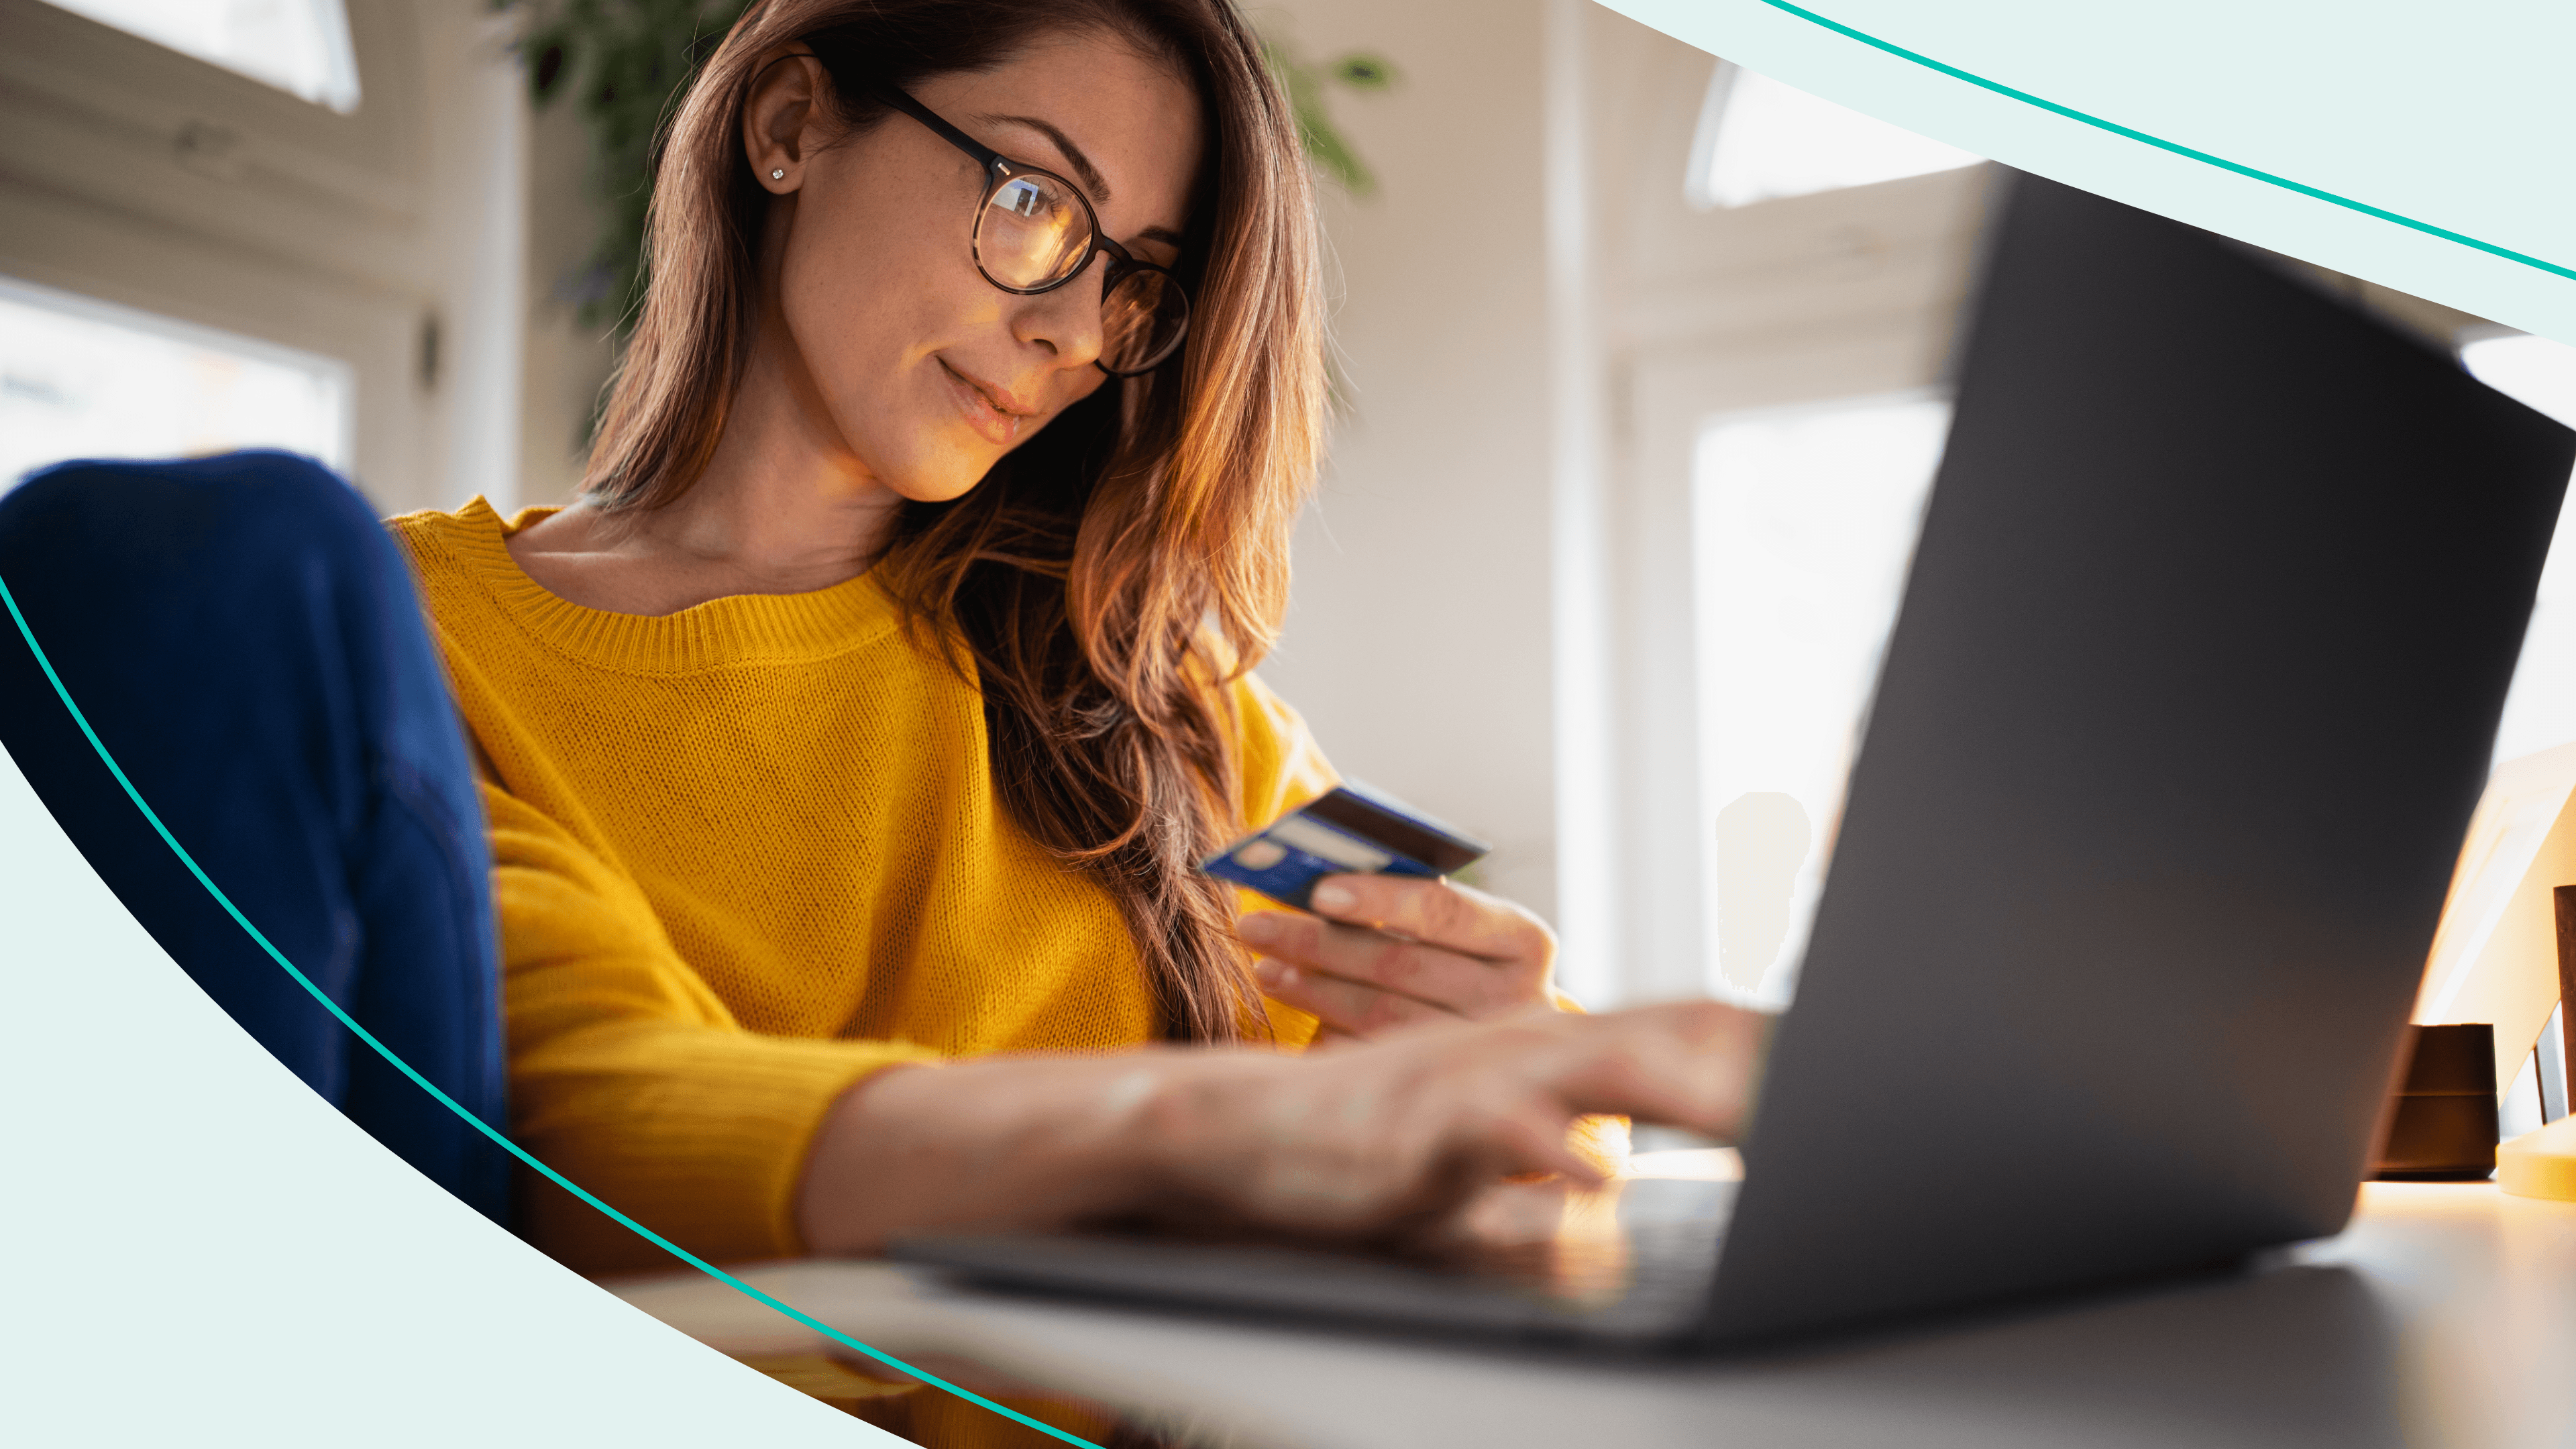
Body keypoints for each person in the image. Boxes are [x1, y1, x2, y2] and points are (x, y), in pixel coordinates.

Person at [0, 0, 1770, 1307]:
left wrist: (1528, 1075)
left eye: (1136, 278)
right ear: (790, 118)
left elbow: (1498, 1181)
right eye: (1034, 203)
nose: (1073, 330)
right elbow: (601, 1106)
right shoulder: (401, 641)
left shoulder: (1174, 718)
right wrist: (1178, 1134)